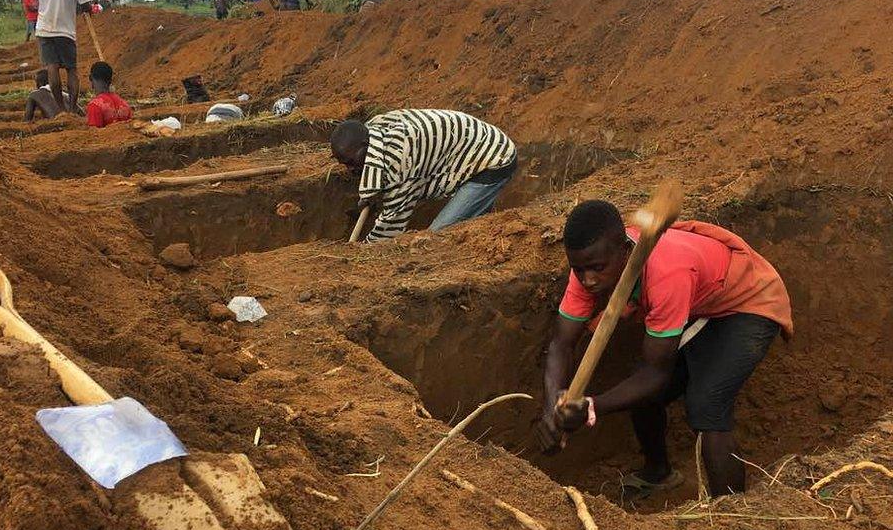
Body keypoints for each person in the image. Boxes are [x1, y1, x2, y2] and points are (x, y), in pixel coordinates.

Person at [537, 200, 793, 498]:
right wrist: (551, 409)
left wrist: (591, 407)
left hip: (749, 304)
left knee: (706, 404)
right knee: (639, 392)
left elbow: (655, 373)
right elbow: (561, 343)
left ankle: (731, 512)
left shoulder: (666, 272)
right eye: (578, 269)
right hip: (701, 307)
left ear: (624, 250)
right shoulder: (590, 266)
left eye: (596, 269)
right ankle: (658, 473)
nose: (588, 280)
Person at [331, 109, 518, 242]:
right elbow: (375, 166)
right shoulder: (373, 129)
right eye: (344, 163)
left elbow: (390, 227)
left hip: (492, 159)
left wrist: (364, 252)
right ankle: (479, 220)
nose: (350, 169)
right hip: (465, 148)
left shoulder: (400, 159)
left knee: (437, 237)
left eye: (351, 162)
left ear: (366, 144)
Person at [28, 0, 91, 115]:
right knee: (71, 69)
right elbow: (85, 5)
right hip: (66, 31)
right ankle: (71, 108)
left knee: (52, 67)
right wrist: (88, 8)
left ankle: (61, 110)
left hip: (44, 29)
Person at [86, 61, 132, 128]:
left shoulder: (95, 106)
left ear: (91, 78)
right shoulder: (125, 105)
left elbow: (94, 135)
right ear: (110, 81)